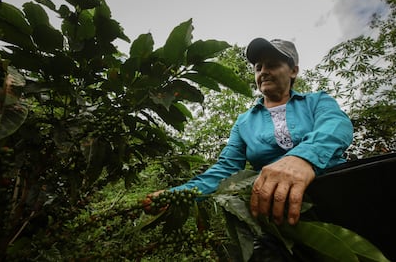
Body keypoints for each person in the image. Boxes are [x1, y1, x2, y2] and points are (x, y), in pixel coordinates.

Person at [150, 37, 354, 226]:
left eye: (272, 65)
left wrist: (303, 158)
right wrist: (176, 194)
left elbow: (336, 126)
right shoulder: (244, 122)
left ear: (293, 71)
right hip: (277, 214)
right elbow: (226, 170)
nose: (263, 71)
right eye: (258, 67)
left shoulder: (316, 101)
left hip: (334, 196)